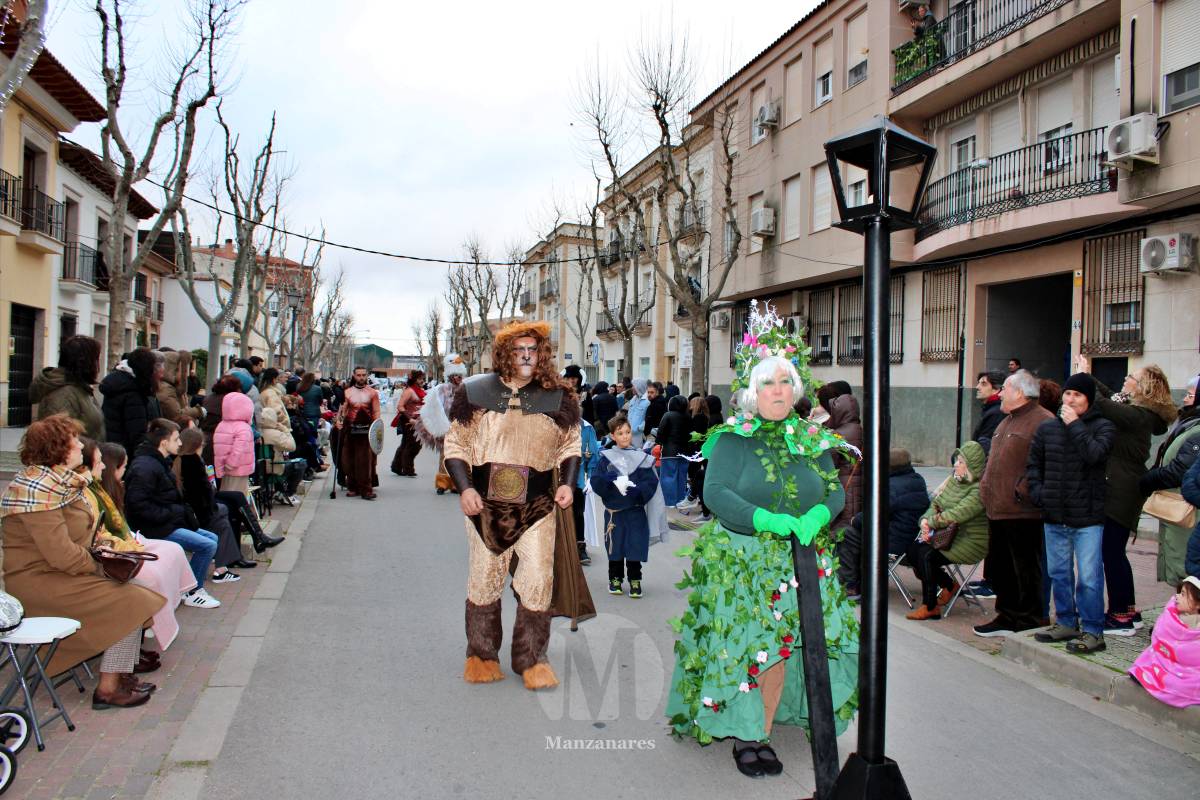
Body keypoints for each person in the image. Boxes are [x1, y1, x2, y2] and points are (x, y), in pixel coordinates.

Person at [666, 317, 856, 781]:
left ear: (796, 389)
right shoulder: (732, 437)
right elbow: (716, 492)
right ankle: (751, 733)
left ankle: (792, 711)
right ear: (753, 389)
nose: (778, 390)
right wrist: (764, 519)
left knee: (806, 644)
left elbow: (833, 489)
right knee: (752, 649)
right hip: (745, 562)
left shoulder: (811, 440)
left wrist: (818, 516)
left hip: (807, 560)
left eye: (785, 381)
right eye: (768, 382)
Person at [443, 320, 582, 690]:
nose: (525, 356)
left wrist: (567, 485)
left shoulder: (559, 397)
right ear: (505, 354)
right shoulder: (475, 391)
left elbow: (569, 446)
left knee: (538, 580)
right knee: (484, 581)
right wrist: (464, 489)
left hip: (538, 505)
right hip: (485, 506)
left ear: (542, 355)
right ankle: (482, 655)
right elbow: (456, 444)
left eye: (532, 350)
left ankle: (531, 658)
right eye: (518, 349)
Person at [0, 414, 164, 707]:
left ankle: (121, 672)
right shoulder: (37, 492)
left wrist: (107, 551)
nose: (80, 446)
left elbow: (82, 536)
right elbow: (60, 553)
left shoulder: (60, 483)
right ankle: (108, 689)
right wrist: (101, 567)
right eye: (74, 441)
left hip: (59, 574)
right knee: (131, 601)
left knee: (134, 592)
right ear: (58, 450)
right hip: (38, 581)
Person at [1074, 357, 1177, 634]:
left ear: (1143, 387)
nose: (1125, 379)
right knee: (1115, 552)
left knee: (1112, 552)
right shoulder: (1137, 411)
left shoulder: (1139, 416)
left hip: (1121, 490)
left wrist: (1084, 380)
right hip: (1121, 486)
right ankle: (1127, 611)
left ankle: (1121, 617)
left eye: (1132, 376)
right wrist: (1088, 375)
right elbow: (1109, 397)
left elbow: (1104, 403)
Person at [1028, 372, 1116, 654]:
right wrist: (1039, 493)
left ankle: (1093, 631)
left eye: (1077, 395)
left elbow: (1095, 455)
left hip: (1087, 517)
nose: (1070, 399)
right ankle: (1066, 621)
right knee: (1059, 573)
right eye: (1067, 394)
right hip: (1054, 515)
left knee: (1089, 578)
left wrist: (1075, 425)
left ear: (1089, 400)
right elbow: (1034, 465)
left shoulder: (1103, 427)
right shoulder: (1046, 429)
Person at [92, 441, 197, 652]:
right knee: (149, 576)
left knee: (173, 551)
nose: (102, 467)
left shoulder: (110, 489)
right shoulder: (92, 494)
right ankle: (148, 626)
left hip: (124, 542)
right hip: (107, 555)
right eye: (122, 467)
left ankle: (158, 617)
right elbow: (97, 536)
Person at [975, 369, 1055, 638]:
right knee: (1002, 567)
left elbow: (1047, 465)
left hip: (1023, 510)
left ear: (1020, 393)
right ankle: (1006, 615)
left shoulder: (1043, 421)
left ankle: (1028, 619)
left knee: (1025, 568)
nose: (1000, 394)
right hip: (998, 507)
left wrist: (1024, 490)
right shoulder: (1006, 420)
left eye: (1005, 389)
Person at [124, 418, 223, 609]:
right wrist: (172, 514)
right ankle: (192, 591)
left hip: (167, 521)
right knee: (207, 545)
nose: (180, 443)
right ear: (164, 442)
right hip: (155, 528)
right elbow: (138, 506)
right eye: (177, 439)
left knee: (211, 538)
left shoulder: (158, 462)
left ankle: (187, 586)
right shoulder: (145, 467)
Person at [905, 442, 990, 620]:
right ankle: (948, 584)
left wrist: (931, 522)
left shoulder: (978, 489)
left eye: (960, 462)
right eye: (956, 461)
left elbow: (958, 514)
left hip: (969, 541)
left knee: (927, 555)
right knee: (913, 550)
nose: (955, 465)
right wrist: (925, 521)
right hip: (948, 536)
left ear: (971, 466)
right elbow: (936, 503)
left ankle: (930, 606)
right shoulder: (954, 481)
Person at [836, 448, 929, 598]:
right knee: (859, 533)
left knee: (848, 534)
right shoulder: (917, 479)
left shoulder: (891, 487)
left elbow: (874, 514)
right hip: (911, 537)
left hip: (894, 541)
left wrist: (856, 520)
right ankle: (859, 580)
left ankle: (850, 585)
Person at [590, 416, 665, 598]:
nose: (625, 436)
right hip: (615, 514)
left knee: (634, 545)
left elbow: (651, 482)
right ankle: (615, 578)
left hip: (635, 512)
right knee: (615, 547)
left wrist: (638, 491)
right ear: (612, 435)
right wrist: (606, 481)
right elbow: (596, 481)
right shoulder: (606, 459)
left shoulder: (642, 459)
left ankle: (635, 579)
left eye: (628, 432)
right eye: (620, 433)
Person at [174, 428, 254, 583]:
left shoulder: (182, 460)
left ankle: (255, 538)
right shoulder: (193, 463)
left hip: (195, 507)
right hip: (197, 510)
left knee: (234, 500)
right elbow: (201, 495)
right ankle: (222, 568)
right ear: (198, 445)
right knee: (224, 517)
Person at [1142, 375, 1200, 584]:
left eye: (1190, 395)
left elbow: (1182, 472)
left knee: (1186, 573)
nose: (1185, 399)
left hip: (1186, 513)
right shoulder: (1190, 422)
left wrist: (1146, 480)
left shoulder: (1197, 430)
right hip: (1178, 510)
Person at [1129, 576, 1200, 707]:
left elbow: (1193, 653)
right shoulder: (1170, 616)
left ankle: (1170, 684)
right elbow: (1160, 635)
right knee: (1148, 660)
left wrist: (1180, 651)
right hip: (1163, 660)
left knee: (1189, 683)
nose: (1178, 596)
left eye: (1183, 595)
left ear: (1198, 603)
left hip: (1190, 670)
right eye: (1179, 592)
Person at [32, 334, 106, 440]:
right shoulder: (63, 395)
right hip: (78, 456)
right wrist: (92, 451)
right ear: (85, 362)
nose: (97, 364)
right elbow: (59, 442)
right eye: (96, 359)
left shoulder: (80, 388)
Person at [415, 355, 468, 494]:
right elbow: (434, 406)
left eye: (460, 375)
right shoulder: (441, 389)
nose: (458, 378)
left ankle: (457, 483)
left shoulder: (466, 388)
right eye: (456, 375)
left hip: (462, 427)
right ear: (450, 376)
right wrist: (439, 424)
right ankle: (442, 483)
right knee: (445, 455)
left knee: (459, 456)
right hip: (447, 426)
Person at [101, 347, 160, 458]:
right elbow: (137, 434)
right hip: (125, 454)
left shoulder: (120, 383)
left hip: (114, 448)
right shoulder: (132, 393)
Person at [336, 366, 381, 499]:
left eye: (363, 375)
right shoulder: (347, 392)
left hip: (366, 429)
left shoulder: (373, 393)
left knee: (364, 460)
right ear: (354, 376)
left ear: (367, 376)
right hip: (350, 428)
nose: (361, 377)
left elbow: (376, 412)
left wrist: (377, 426)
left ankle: (366, 489)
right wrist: (339, 421)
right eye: (359, 375)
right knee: (348, 459)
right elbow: (343, 410)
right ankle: (352, 486)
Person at [826, 391, 863, 535]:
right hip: (862, 492)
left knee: (840, 532)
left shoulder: (837, 437)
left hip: (843, 492)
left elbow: (827, 466)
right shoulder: (866, 432)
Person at [213, 391, 256, 497]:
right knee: (238, 496)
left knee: (225, 493)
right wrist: (230, 464)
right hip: (238, 468)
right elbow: (239, 450)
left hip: (224, 468)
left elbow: (218, 448)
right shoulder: (244, 428)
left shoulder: (221, 425)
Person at [656, 395, 691, 508]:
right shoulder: (688, 416)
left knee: (668, 477)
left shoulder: (668, 415)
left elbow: (661, 432)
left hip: (669, 452)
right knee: (682, 477)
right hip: (685, 452)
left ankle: (670, 502)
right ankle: (681, 501)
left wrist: (659, 443)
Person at [391, 369, 426, 477]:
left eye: (422, 378)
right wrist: (410, 418)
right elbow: (400, 406)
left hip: (418, 420)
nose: (422, 381)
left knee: (407, 444)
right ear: (414, 379)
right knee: (413, 444)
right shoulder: (409, 391)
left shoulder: (420, 390)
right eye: (420, 379)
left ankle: (397, 466)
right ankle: (408, 469)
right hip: (408, 420)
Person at [684, 395, 712, 521]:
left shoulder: (698, 417)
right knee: (698, 476)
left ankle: (692, 499)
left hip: (696, 450)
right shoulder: (706, 417)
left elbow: (695, 434)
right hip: (702, 450)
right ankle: (694, 499)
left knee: (695, 476)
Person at [156, 349, 200, 422]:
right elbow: (177, 416)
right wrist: (198, 411)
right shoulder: (165, 390)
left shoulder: (171, 388)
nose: (183, 374)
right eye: (178, 369)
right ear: (171, 370)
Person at [973, 371, 1006, 455]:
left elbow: (985, 446)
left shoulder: (996, 412)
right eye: (978, 383)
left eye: (983, 384)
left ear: (996, 389)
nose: (977, 387)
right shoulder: (991, 408)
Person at [623, 378, 650, 448]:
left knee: (638, 453)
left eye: (633, 386)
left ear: (639, 387)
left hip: (639, 435)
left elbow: (648, 418)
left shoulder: (647, 401)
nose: (632, 388)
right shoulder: (633, 399)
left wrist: (640, 428)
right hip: (629, 432)